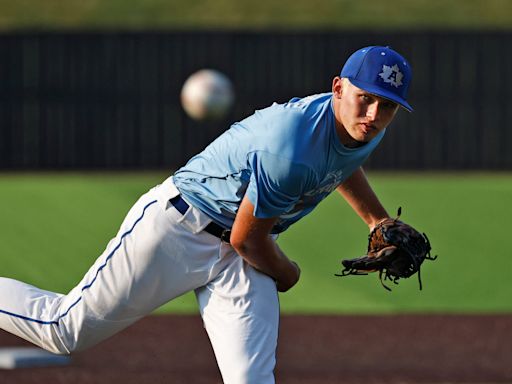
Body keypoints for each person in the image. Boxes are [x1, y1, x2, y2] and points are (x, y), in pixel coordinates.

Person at [0, 45, 413, 383]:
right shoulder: (290, 148)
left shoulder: (358, 124)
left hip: (243, 250)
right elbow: (248, 239)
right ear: (338, 88)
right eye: (366, 99)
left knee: (251, 379)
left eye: (388, 105)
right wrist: (289, 274)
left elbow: (340, 161)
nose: (374, 114)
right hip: (179, 231)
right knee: (63, 331)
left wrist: (378, 220)